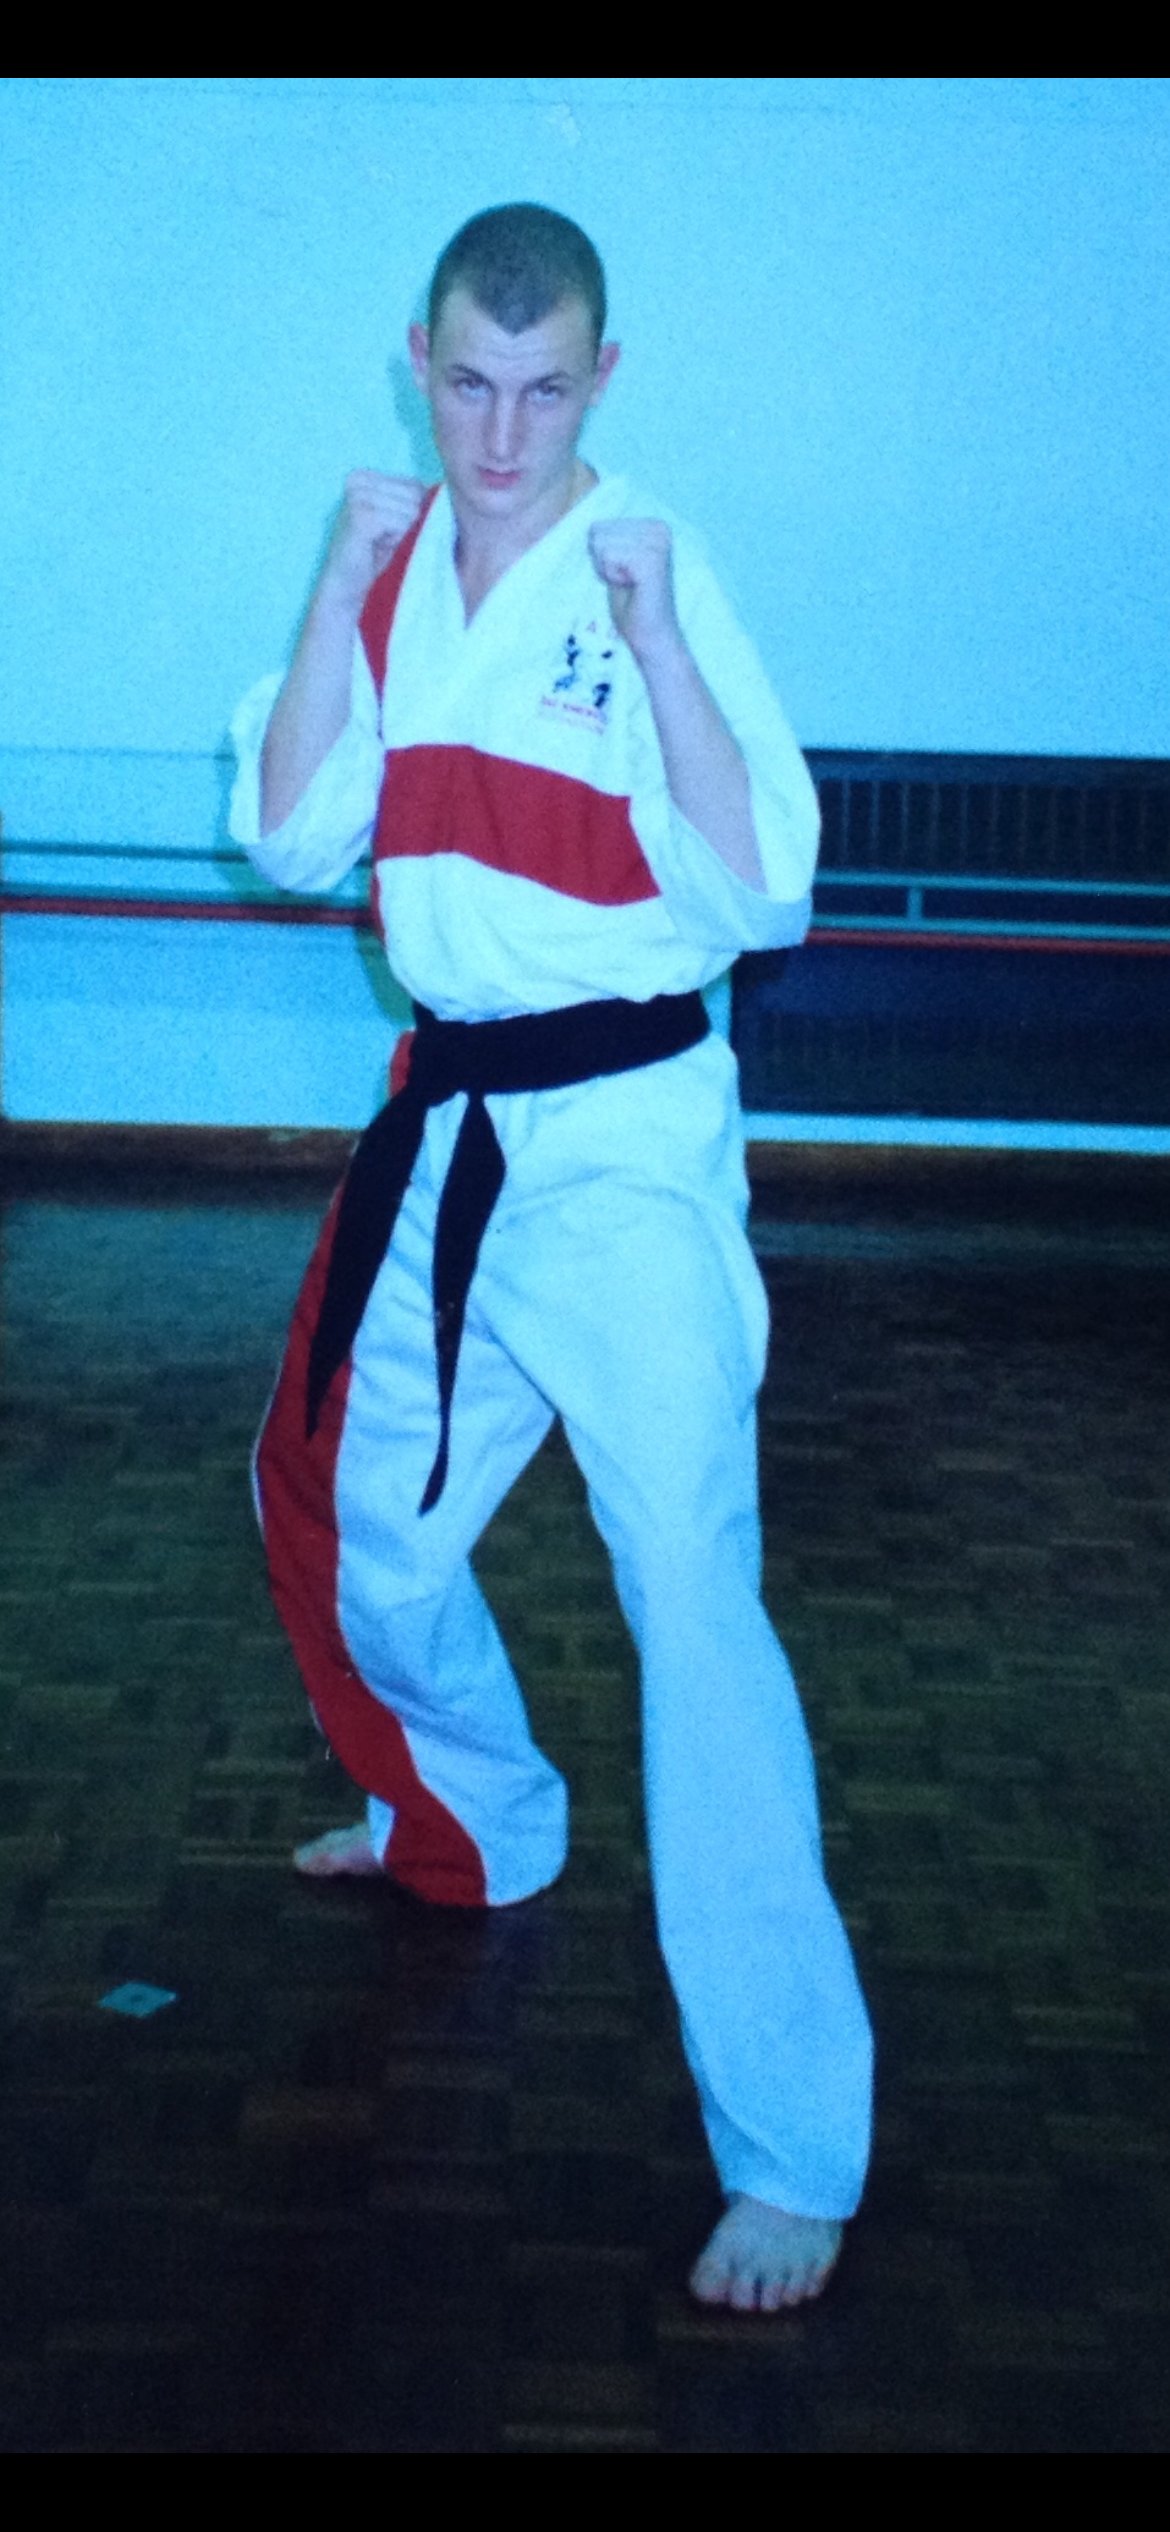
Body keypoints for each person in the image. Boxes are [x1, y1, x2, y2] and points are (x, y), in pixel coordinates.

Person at [229, 203, 872, 2313]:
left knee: (694, 1609)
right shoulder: (398, 561)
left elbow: (767, 886)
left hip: (625, 1162)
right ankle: (487, 1818)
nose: (502, 435)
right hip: (453, 1131)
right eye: (469, 386)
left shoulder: (647, 566)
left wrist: (668, 644)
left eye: (546, 392)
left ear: (602, 381)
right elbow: (293, 832)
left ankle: (794, 2147)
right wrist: (336, 585)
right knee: (358, 1536)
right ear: (416, 356)